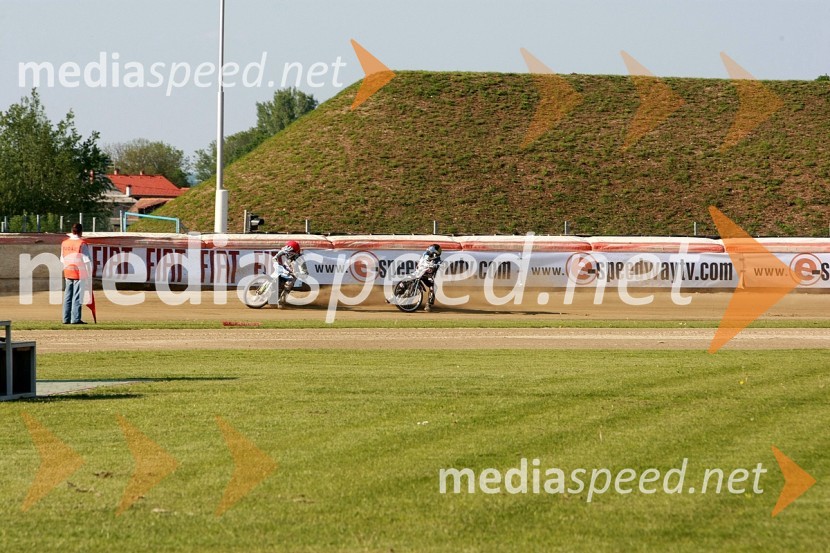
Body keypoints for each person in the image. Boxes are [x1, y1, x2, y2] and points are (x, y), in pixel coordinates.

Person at [60, 223, 92, 324]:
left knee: (67, 296)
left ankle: (66, 318)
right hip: (79, 272)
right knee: (77, 296)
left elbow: (62, 259)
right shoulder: (82, 243)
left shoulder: (65, 243)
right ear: (81, 231)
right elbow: (87, 260)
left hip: (67, 270)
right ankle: (76, 319)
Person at [272, 240, 307, 308]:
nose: (288, 254)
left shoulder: (300, 260)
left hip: (292, 275)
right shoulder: (286, 250)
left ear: (295, 252)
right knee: (274, 277)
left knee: (288, 284)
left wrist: (298, 274)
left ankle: (282, 300)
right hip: (283, 269)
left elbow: (305, 273)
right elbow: (280, 253)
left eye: (290, 253)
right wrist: (275, 257)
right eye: (287, 252)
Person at [417, 244, 443, 312]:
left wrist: (436, 265)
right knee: (407, 279)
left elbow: (439, 263)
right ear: (433, 250)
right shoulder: (425, 255)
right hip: (420, 272)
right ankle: (396, 295)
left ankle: (429, 304)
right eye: (438, 250)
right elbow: (421, 261)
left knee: (433, 287)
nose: (440, 251)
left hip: (428, 276)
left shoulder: (438, 259)